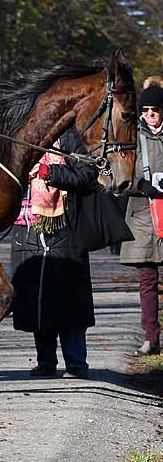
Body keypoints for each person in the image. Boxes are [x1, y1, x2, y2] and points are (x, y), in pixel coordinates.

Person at [11, 129, 112, 379]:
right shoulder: (17, 134)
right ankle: (45, 361)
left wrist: (49, 173)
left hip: (65, 226)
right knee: (37, 300)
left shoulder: (67, 137)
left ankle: (76, 364)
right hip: (26, 228)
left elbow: (88, 174)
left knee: (69, 300)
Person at [119, 85, 163, 356]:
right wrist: (139, 185)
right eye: (145, 111)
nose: (149, 115)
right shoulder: (133, 138)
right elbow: (118, 176)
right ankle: (151, 336)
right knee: (147, 280)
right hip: (143, 215)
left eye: (154, 110)